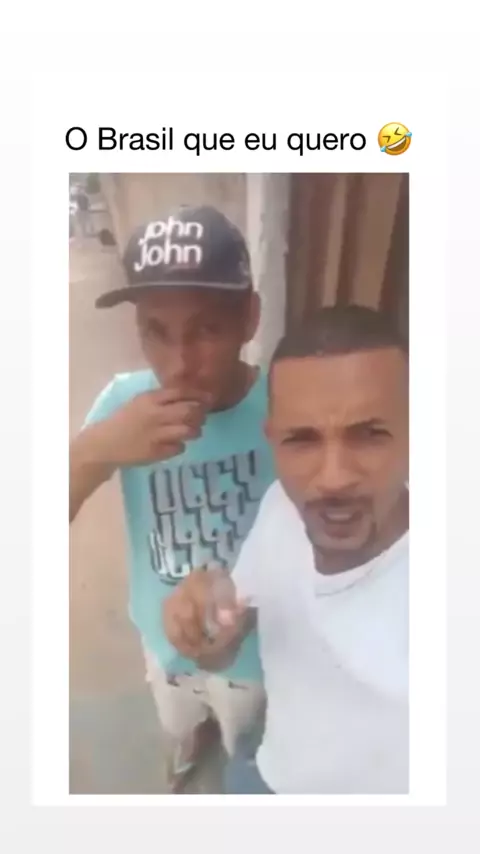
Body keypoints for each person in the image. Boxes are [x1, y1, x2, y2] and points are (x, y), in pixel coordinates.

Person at [70, 205, 275, 791]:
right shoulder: (124, 405)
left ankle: (237, 755)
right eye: (155, 332)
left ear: (250, 318)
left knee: (247, 740)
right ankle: (189, 741)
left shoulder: (284, 406)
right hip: (162, 644)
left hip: (257, 653)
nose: (179, 365)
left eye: (206, 330)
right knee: (178, 717)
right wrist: (97, 449)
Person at [164, 305, 409, 794]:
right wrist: (210, 625)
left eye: (369, 435)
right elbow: (233, 630)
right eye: (302, 440)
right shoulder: (281, 505)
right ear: (273, 440)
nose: (333, 478)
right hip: (266, 771)